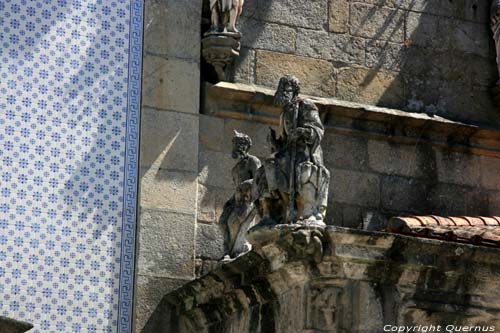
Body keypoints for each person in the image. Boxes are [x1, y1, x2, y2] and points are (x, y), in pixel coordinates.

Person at [257, 75, 330, 226]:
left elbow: (317, 129)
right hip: (288, 152)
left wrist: (303, 132)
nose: (284, 93)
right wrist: (275, 142)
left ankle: (306, 210)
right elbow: (284, 140)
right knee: (268, 165)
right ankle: (278, 209)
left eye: (287, 90)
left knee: (302, 169)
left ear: (295, 91)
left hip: (305, 151)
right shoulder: (284, 113)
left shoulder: (305, 105)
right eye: (281, 89)